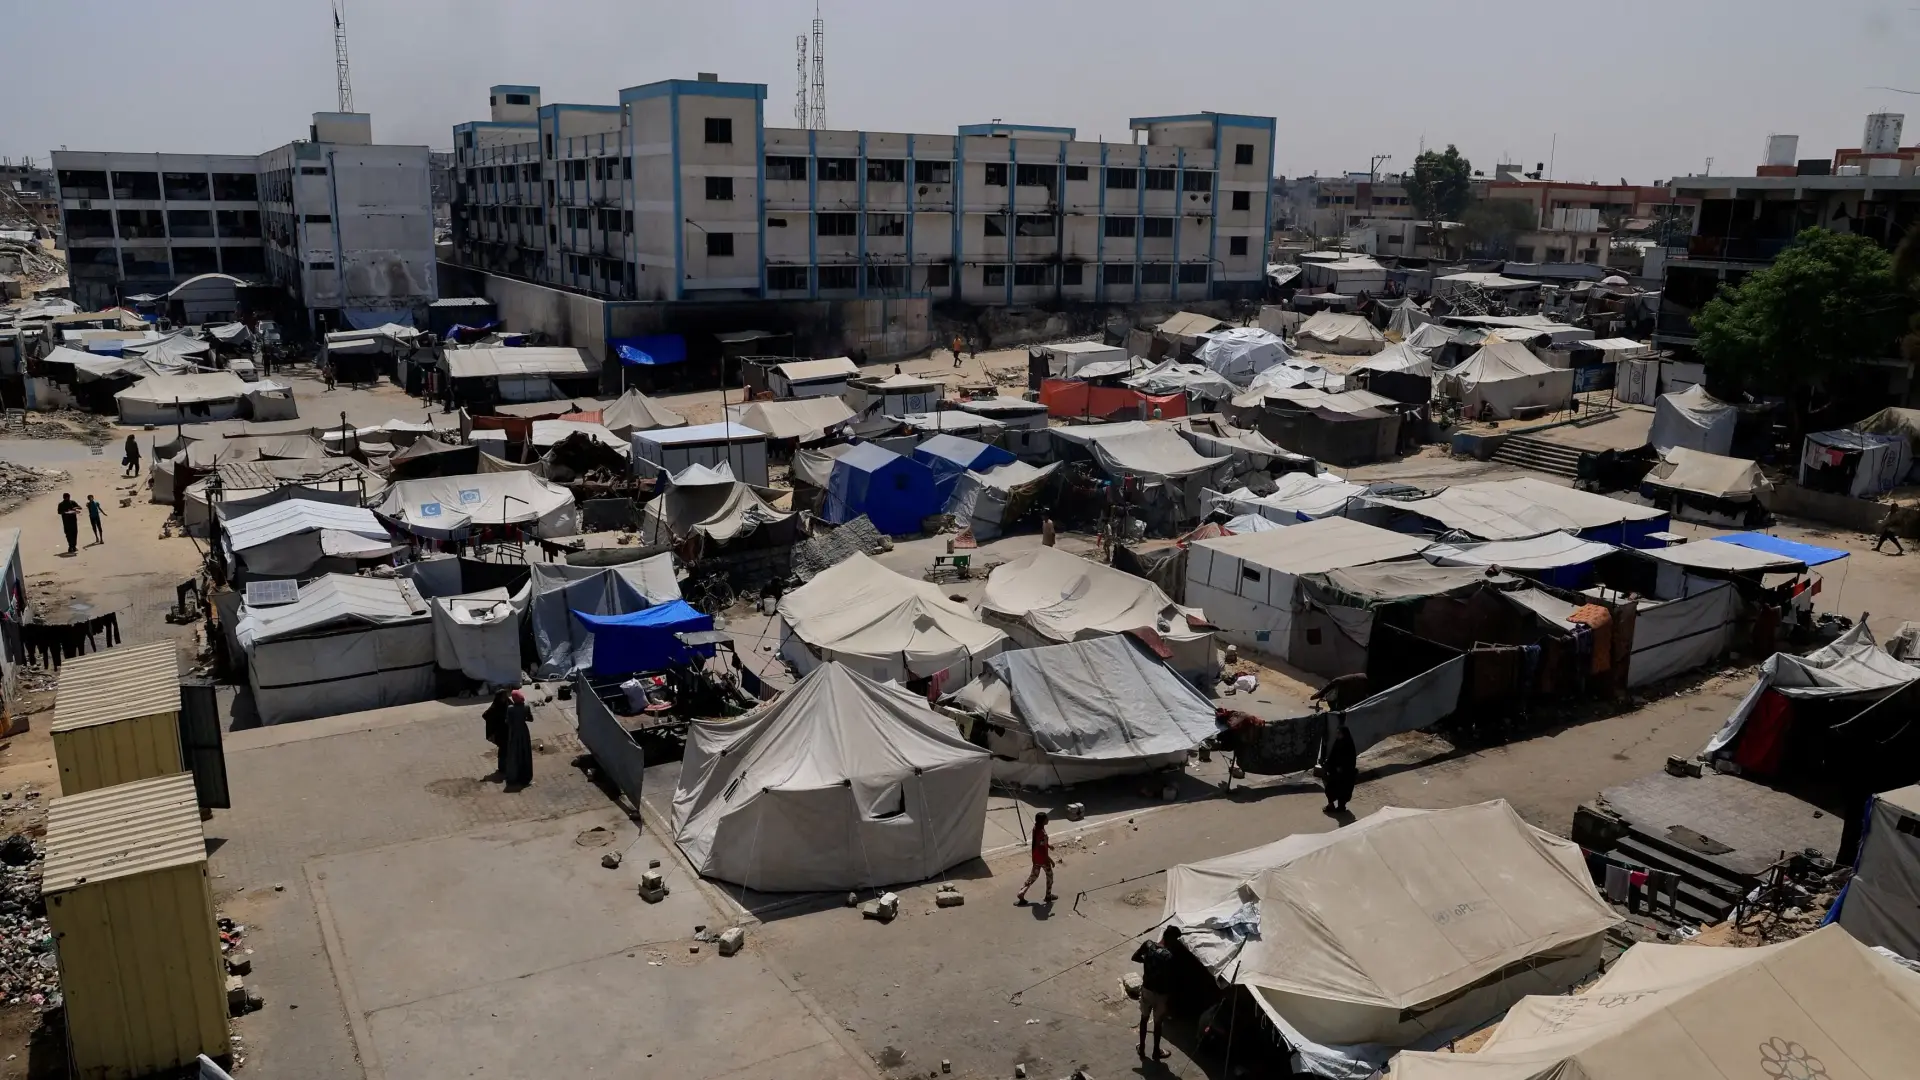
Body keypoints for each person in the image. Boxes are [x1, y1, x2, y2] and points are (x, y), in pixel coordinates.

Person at [1131, 926, 1181, 1061]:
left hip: (1147, 990)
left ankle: (1142, 1048)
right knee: (1158, 1024)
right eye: (1176, 939)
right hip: (1161, 995)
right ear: (1171, 939)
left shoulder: (1148, 945)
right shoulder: (1169, 957)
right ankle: (1155, 1052)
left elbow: (1135, 957)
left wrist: (1148, 962)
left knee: (1144, 1019)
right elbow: (1173, 979)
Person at [1015, 811, 1055, 905]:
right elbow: (1042, 849)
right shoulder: (1042, 832)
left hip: (1036, 858)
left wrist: (1048, 845)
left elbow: (1039, 843)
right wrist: (1050, 860)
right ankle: (1048, 895)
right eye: (1046, 818)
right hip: (1043, 859)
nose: (1048, 820)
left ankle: (1022, 892)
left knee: (1033, 876)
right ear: (1043, 820)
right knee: (1050, 876)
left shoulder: (1036, 828)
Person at [497, 689, 534, 787]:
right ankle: (525, 776)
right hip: (524, 732)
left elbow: (507, 721)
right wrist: (523, 718)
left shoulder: (510, 709)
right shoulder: (526, 707)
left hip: (514, 733)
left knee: (514, 754)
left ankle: (513, 777)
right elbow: (531, 719)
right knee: (525, 753)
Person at [1323, 719, 1358, 814]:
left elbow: (1351, 761)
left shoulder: (1349, 745)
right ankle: (1331, 805)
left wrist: (1343, 768)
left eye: (1339, 733)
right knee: (1330, 788)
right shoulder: (1337, 743)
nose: (1337, 735)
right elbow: (1332, 756)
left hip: (1345, 774)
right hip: (1334, 772)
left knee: (1344, 790)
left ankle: (1341, 806)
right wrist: (1328, 765)